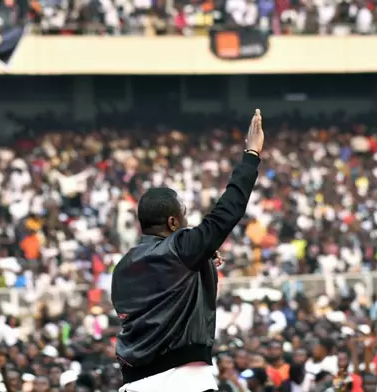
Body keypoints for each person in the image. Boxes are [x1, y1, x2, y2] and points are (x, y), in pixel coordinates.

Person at [111, 109, 265, 392]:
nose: (187, 223)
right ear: (172, 222)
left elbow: (159, 296)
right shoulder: (180, 248)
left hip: (133, 382)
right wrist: (251, 155)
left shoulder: (123, 266)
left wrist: (200, 263)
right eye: (183, 217)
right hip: (182, 379)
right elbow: (226, 213)